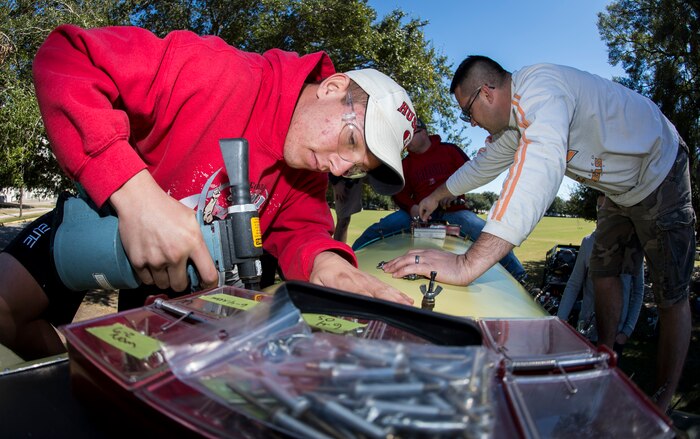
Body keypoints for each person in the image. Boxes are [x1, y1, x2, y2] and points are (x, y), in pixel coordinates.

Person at [0, 24, 419, 360]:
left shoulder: (306, 170)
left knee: (145, 372)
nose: (341, 168)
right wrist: (137, 198)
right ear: (332, 88)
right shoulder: (213, 70)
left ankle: (91, 368)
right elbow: (68, 56)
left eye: (357, 168)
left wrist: (327, 263)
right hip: (96, 212)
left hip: (172, 279)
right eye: (350, 140)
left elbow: (303, 231)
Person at [382, 55, 694, 411]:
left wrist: (468, 263)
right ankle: (608, 359)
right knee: (604, 270)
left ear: (486, 93)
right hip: (619, 191)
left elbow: (541, 166)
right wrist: (437, 195)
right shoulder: (516, 122)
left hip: (660, 168)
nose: (471, 122)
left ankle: (662, 400)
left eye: (468, 113)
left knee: (672, 293)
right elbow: (483, 164)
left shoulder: (540, 90)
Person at [352, 118, 526, 281]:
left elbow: (470, 173)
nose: (406, 141)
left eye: (410, 135)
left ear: (424, 132)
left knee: (484, 231)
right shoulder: (406, 164)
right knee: (382, 227)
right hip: (420, 213)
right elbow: (400, 193)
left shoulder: (450, 150)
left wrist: (454, 194)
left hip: (455, 211)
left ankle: (520, 277)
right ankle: (349, 257)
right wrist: (412, 207)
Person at [557, 195, 644, 358]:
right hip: (587, 330)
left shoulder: (632, 244)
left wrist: (627, 331)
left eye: (607, 206)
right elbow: (574, 284)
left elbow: (638, 290)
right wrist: (559, 322)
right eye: (599, 206)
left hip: (616, 334)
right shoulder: (588, 242)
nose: (602, 211)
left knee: (607, 378)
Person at [330, 174, 366, 243]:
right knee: (343, 220)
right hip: (343, 179)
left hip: (357, 174)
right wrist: (336, 181)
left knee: (344, 220)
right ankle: (339, 251)